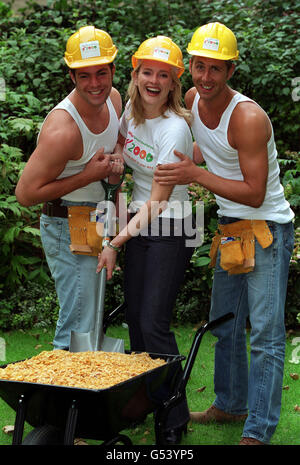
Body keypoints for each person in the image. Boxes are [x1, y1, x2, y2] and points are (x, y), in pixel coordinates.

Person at [154, 22, 294, 445]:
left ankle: (258, 431)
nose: (205, 77)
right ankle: (230, 405)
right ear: (189, 66)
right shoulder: (194, 101)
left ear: (231, 70)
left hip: (266, 229)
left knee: (266, 337)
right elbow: (207, 151)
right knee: (225, 325)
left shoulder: (248, 117)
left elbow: (254, 192)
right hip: (231, 230)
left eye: (216, 68)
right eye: (199, 66)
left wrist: (195, 174)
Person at [96, 35, 195, 444]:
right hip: (136, 224)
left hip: (170, 228)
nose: (154, 81)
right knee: (136, 323)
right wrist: (115, 176)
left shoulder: (175, 130)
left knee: (153, 323)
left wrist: (114, 243)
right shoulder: (128, 119)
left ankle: (174, 421)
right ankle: (148, 403)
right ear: (135, 75)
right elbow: (121, 175)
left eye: (164, 75)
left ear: (174, 83)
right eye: (147, 72)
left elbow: (157, 202)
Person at [15, 26, 123, 350]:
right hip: (66, 223)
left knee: (90, 321)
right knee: (77, 322)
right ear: (72, 76)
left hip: (98, 219)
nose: (95, 84)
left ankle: (82, 398)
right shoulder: (63, 130)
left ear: (112, 70)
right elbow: (26, 194)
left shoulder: (115, 101)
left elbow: (114, 150)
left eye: (101, 73)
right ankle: (58, 397)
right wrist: (89, 174)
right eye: (84, 75)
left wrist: (115, 168)